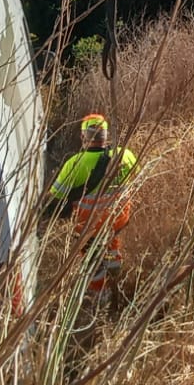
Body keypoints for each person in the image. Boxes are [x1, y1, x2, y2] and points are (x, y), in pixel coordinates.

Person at [45, 113, 139, 292]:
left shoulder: (75, 164)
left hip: (90, 226)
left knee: (91, 261)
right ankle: (115, 271)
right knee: (112, 241)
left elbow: (56, 196)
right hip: (118, 219)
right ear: (106, 136)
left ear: (83, 137)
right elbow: (136, 176)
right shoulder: (125, 155)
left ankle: (99, 296)